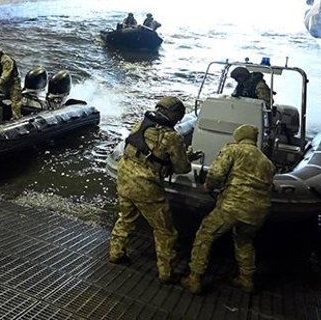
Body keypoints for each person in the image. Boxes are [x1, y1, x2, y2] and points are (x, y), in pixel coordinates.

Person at [181, 124, 275, 294]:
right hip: (258, 212)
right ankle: (246, 280)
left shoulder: (233, 150)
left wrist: (208, 186)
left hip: (233, 205)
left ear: (239, 137)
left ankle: (194, 278)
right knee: (244, 241)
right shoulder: (267, 161)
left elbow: (217, 173)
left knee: (206, 234)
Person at [108, 96, 194, 283]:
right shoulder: (171, 137)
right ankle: (166, 272)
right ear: (175, 116)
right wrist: (187, 156)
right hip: (145, 185)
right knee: (165, 231)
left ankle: (116, 252)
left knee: (126, 217)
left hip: (124, 176)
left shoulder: (141, 123)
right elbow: (182, 168)